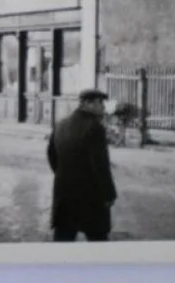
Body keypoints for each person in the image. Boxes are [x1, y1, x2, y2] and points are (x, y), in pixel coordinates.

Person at [46, 88, 117, 242]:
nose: (103, 107)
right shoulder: (95, 128)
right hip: (90, 197)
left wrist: (65, 175)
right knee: (98, 240)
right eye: (100, 103)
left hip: (64, 194)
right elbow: (100, 165)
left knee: (63, 239)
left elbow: (52, 156)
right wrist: (109, 194)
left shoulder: (60, 124)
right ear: (87, 104)